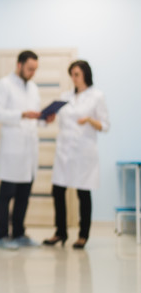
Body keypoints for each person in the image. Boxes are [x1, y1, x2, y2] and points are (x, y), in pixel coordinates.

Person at [43, 60, 110, 249]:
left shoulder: (97, 96)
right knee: (57, 191)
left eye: (77, 74)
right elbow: (60, 119)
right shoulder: (65, 97)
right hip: (64, 151)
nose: (73, 78)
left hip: (84, 153)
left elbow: (105, 125)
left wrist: (89, 119)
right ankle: (60, 232)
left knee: (83, 192)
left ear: (85, 75)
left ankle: (83, 235)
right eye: (71, 74)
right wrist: (50, 117)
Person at [0, 50, 54, 250]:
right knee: (6, 195)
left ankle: (19, 233)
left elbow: (33, 118)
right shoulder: (3, 85)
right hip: (12, 150)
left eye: (35, 69)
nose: (32, 73)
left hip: (29, 151)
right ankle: (2, 236)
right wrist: (22, 114)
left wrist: (44, 119)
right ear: (19, 65)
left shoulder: (33, 88)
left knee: (23, 196)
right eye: (29, 69)